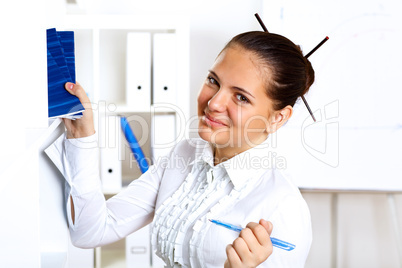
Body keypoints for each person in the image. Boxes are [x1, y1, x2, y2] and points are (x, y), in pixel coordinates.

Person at [46, 31, 314, 267]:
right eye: (213, 81)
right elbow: (90, 231)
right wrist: (82, 140)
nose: (214, 103)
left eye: (241, 97)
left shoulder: (283, 208)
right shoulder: (185, 154)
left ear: (277, 118)